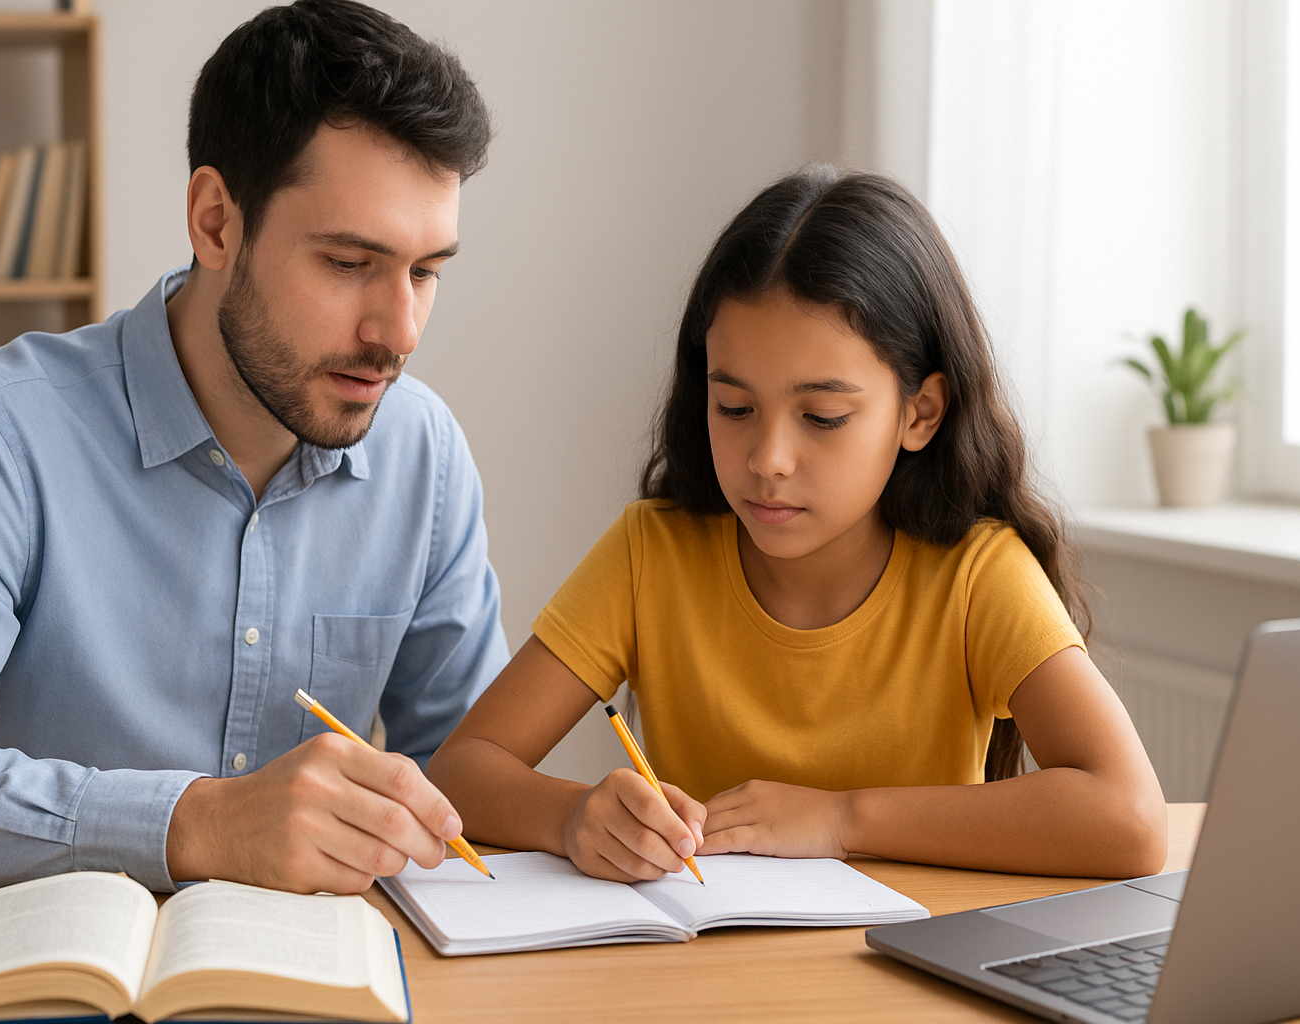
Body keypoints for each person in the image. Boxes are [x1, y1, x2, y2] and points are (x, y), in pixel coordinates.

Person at [0, 0, 508, 896]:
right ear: (216, 222)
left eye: (426, 272)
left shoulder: (422, 453)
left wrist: (571, 811)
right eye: (349, 264)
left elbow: (472, 769)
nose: (402, 330)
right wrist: (197, 823)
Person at [426, 169, 1167, 883]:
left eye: (822, 417)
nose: (768, 460)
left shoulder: (977, 574)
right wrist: (574, 815)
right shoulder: (651, 553)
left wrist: (842, 820)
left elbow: (1130, 819)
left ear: (920, 414)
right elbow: (461, 771)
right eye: (735, 408)